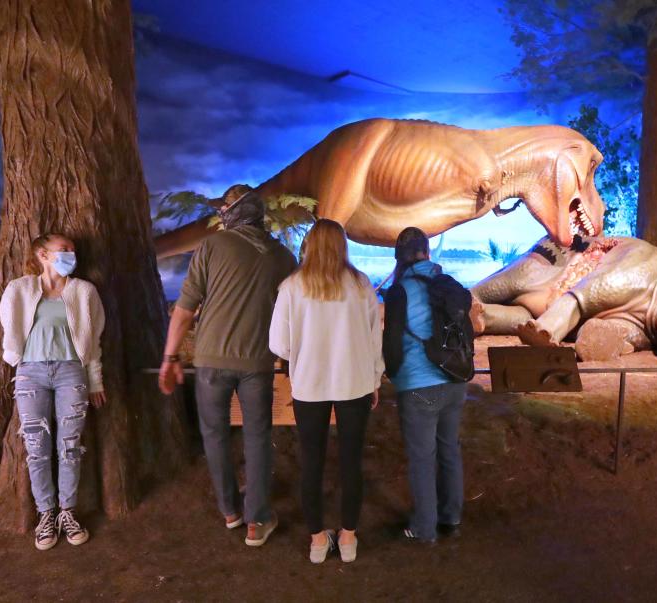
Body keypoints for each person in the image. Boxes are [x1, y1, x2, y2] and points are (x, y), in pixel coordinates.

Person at [159, 188, 297, 547]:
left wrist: (170, 357)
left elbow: (185, 310)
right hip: (258, 363)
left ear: (230, 212)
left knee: (215, 434)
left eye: (223, 208)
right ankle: (258, 520)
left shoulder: (211, 247)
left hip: (210, 362)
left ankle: (230, 511)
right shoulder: (284, 257)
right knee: (257, 435)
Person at [269, 219, 383, 564]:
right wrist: (375, 378)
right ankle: (348, 537)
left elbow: (278, 344)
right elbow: (374, 339)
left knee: (312, 462)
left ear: (310, 246)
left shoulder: (291, 287)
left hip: (309, 385)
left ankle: (318, 539)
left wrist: (302, 354)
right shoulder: (361, 285)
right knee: (351, 462)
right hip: (355, 382)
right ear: (343, 246)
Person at [0, 233, 106, 551]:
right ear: (42, 254)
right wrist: (15, 362)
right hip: (30, 373)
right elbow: (10, 330)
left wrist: (96, 381)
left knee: (70, 445)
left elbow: (93, 342)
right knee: (36, 446)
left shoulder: (84, 291)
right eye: (64, 250)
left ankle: (67, 512)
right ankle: (45, 514)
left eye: (72, 249)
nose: (71, 254)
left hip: (71, 371)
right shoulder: (19, 289)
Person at [383, 227, 468, 544]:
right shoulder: (449, 284)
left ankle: (423, 529)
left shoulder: (400, 290)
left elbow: (391, 342)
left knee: (422, 457)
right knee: (449, 450)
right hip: (455, 381)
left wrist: (393, 374)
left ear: (400, 258)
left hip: (419, 384)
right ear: (427, 252)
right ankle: (452, 516)